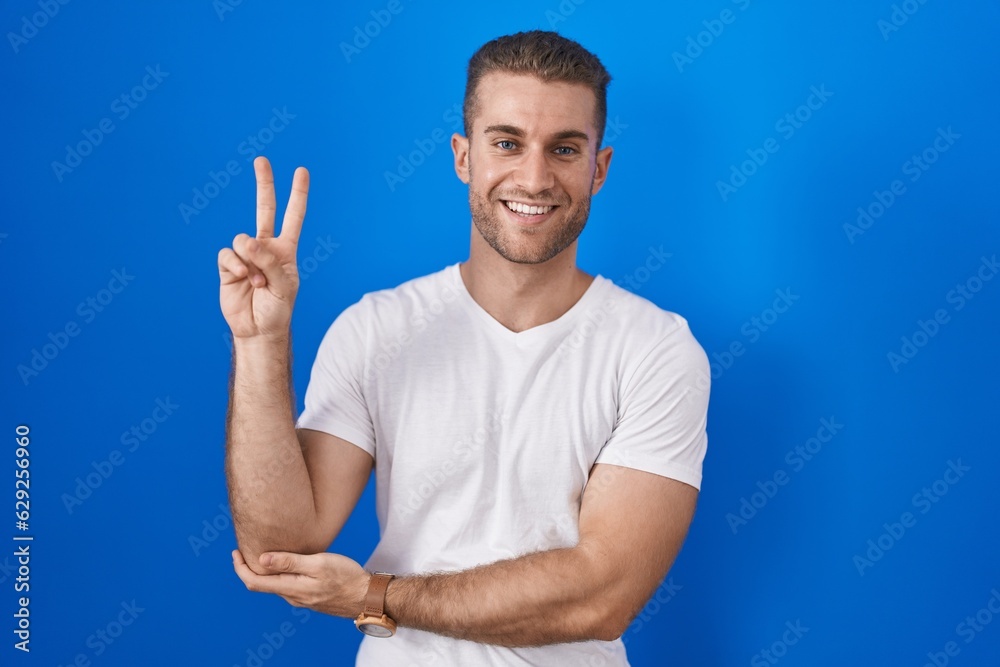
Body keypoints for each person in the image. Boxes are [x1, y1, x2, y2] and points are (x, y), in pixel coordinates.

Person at [219, 30, 709, 666]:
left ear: (600, 168)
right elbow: (280, 545)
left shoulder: (656, 350)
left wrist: (376, 596)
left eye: (564, 148)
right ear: (463, 156)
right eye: (506, 143)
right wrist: (260, 340)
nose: (533, 178)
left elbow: (600, 597)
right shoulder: (376, 329)